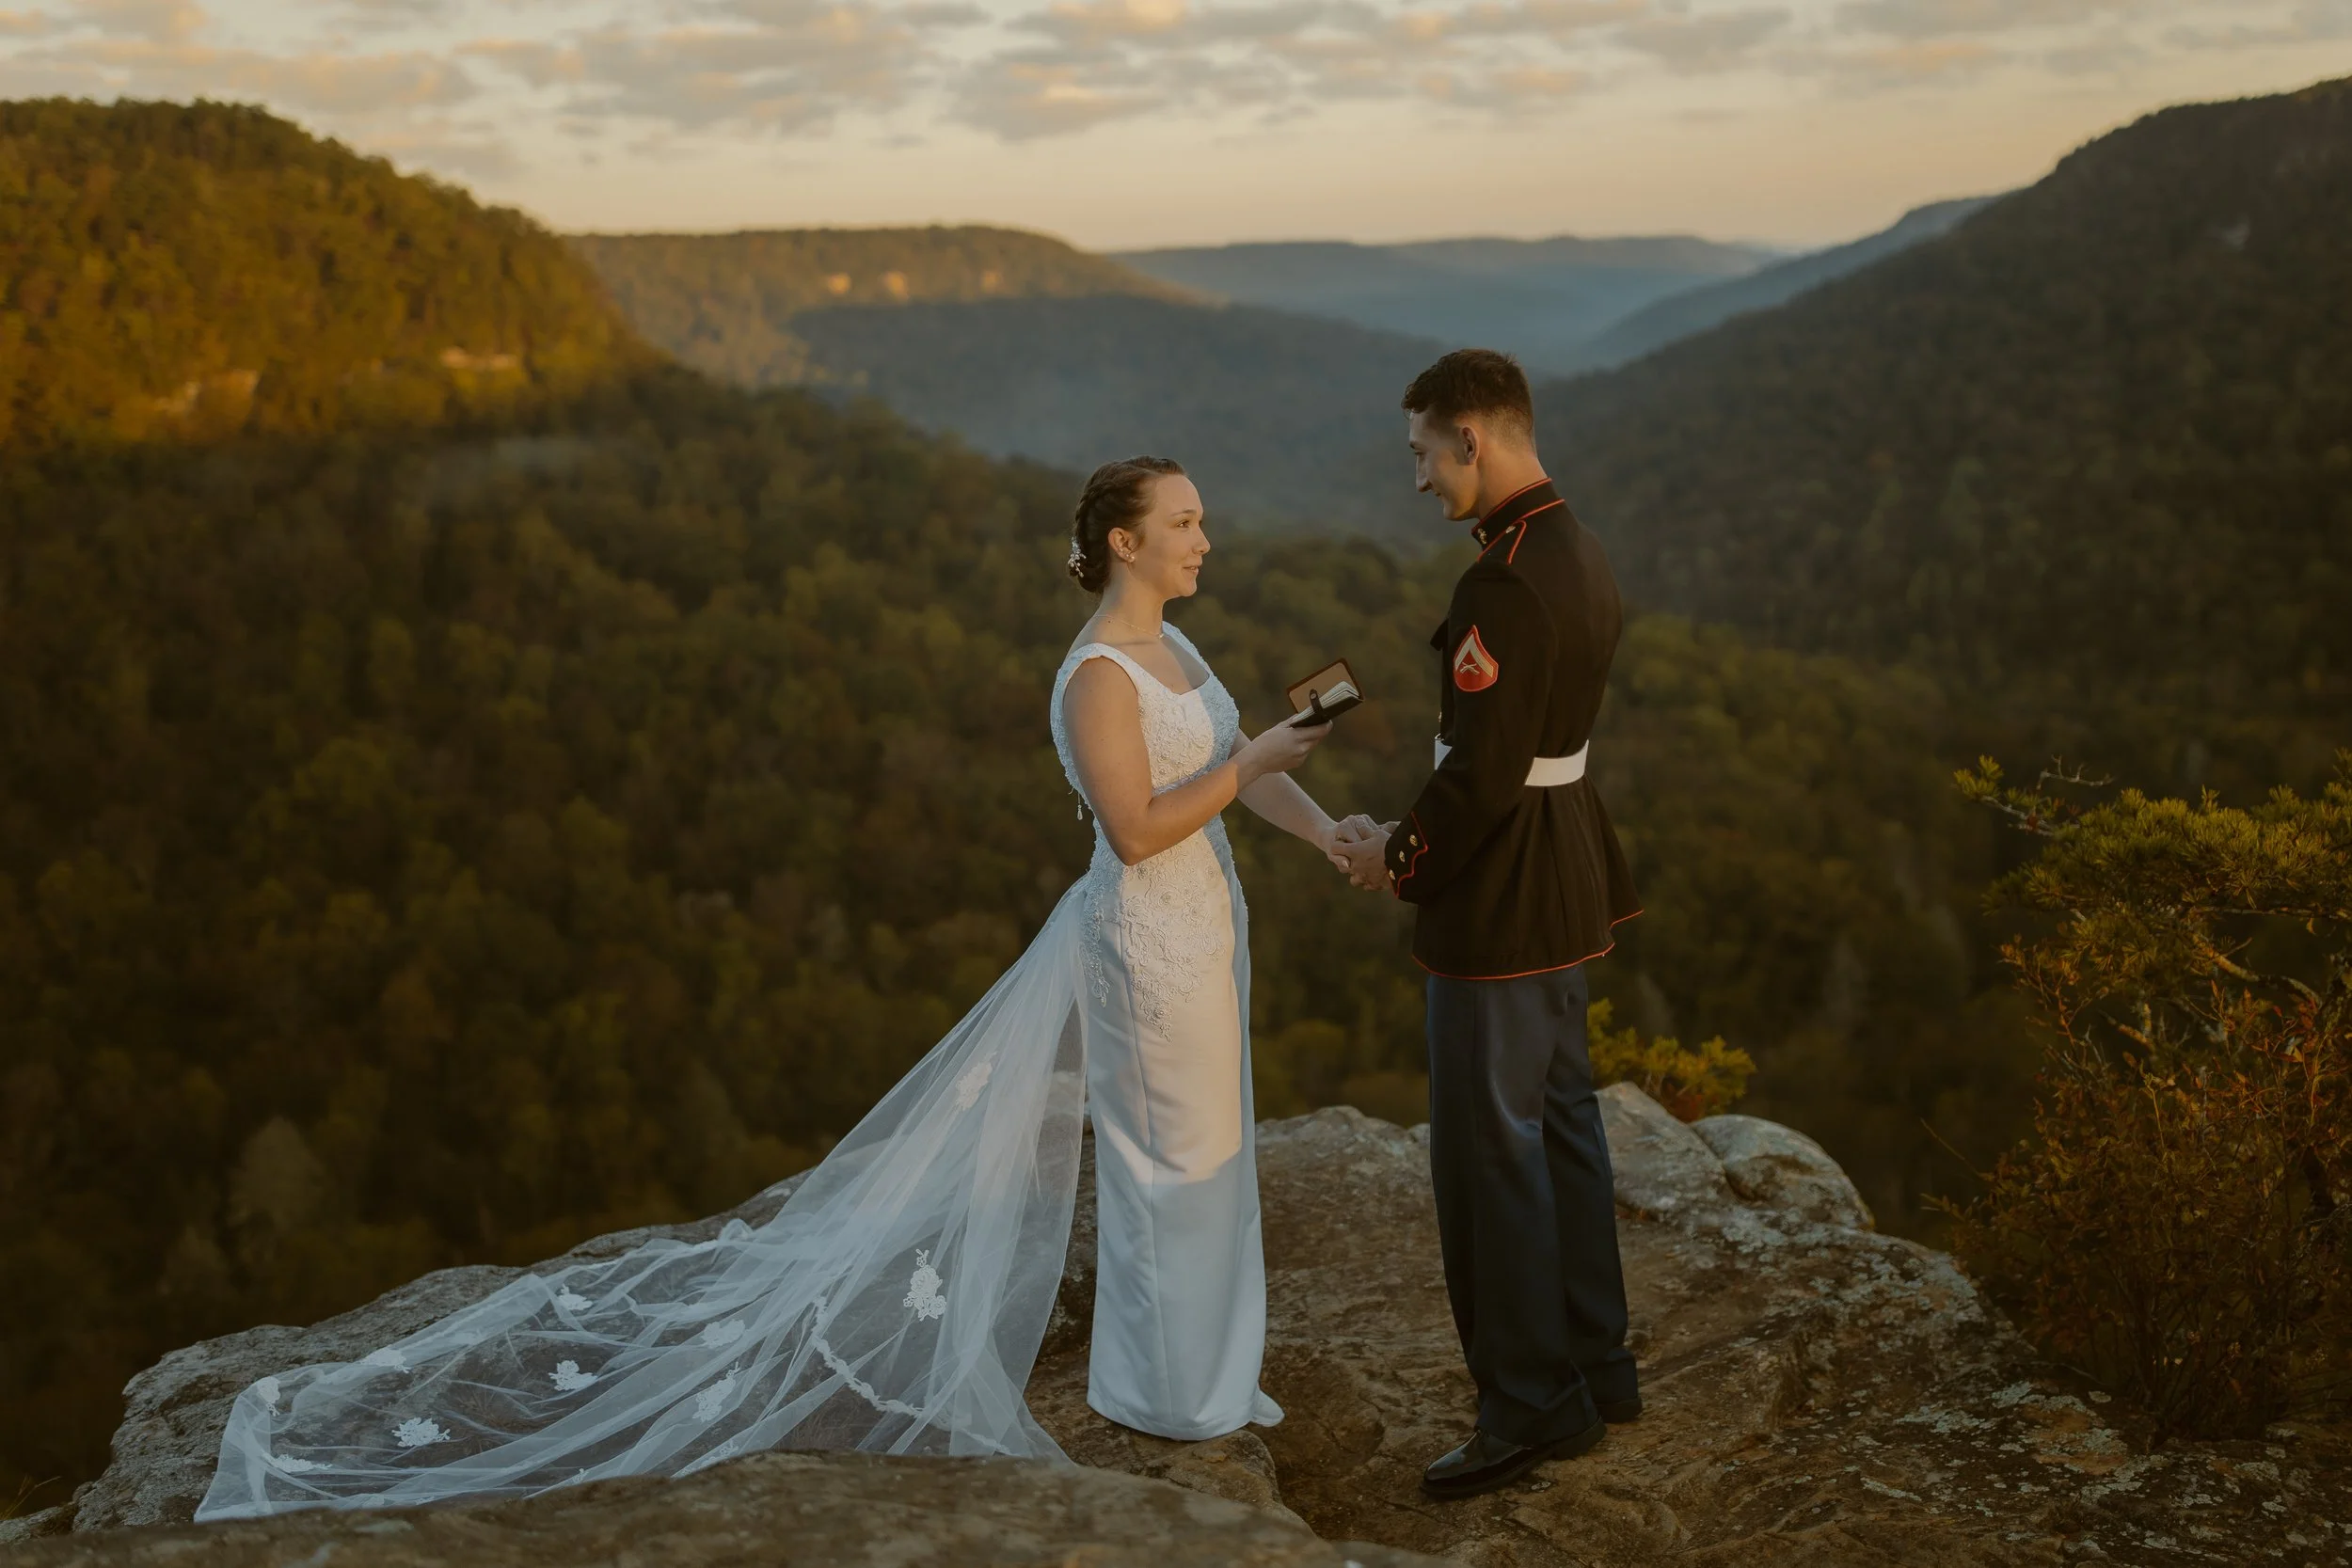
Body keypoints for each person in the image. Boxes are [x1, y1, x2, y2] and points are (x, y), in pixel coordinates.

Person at [196, 456, 1358, 1518]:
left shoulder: (1179, 651)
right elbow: (1139, 827)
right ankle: (1165, 1391)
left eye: (1200, 519)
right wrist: (1253, 758)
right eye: (1184, 522)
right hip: (1145, 939)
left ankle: (1214, 1372)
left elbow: (1231, 765)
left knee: (1213, 1147)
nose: (1205, 538)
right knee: (1164, 1163)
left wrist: (1321, 830)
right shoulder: (1097, 676)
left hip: (1211, 924)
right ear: (1122, 541)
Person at [1331, 349, 1645, 1500]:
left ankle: (1528, 1405)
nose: (1418, 476)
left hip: (1501, 894)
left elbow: (1477, 775)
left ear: (1471, 436)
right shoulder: (1575, 545)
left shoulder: (1502, 584)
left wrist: (1394, 855)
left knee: (1488, 1155)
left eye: (1423, 452)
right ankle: (1595, 1364)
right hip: (1562, 874)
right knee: (1561, 1129)